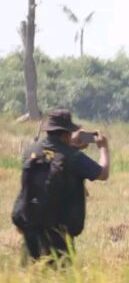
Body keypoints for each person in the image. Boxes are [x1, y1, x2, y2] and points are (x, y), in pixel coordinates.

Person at [11, 109, 110, 263]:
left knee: (32, 276)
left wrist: (72, 146)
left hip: (30, 226)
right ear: (66, 134)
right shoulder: (74, 157)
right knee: (60, 276)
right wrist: (103, 147)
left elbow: (53, 155)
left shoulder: (31, 150)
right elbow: (103, 173)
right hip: (59, 232)